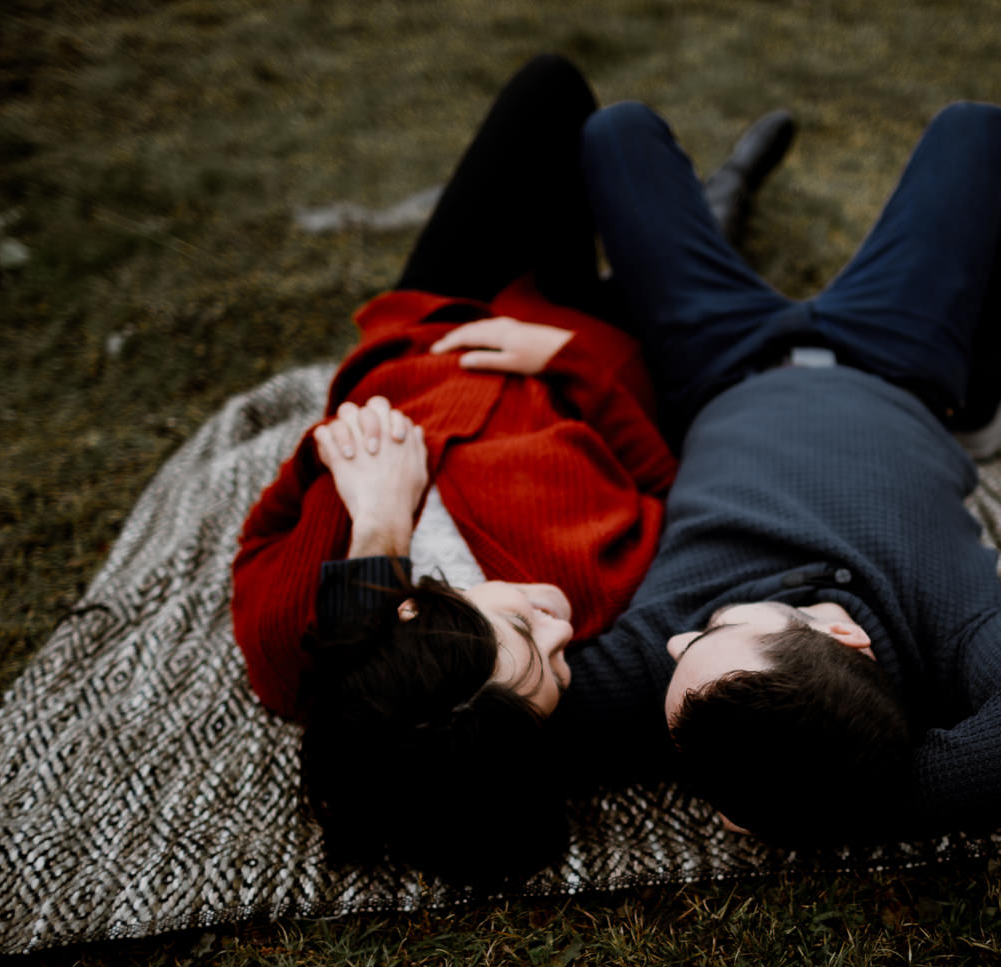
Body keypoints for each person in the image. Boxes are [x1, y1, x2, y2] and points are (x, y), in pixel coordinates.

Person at [230, 55, 794, 881]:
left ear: (420, 621)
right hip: (567, 341)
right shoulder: (590, 588)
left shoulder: (288, 644)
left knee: (552, 90)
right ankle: (722, 201)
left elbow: (264, 535)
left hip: (428, 322)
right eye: (558, 672)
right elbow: (667, 483)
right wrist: (569, 363)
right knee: (679, 271)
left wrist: (374, 519)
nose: (564, 623)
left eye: (529, 632)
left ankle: (698, 221)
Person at [543, 98, 1001, 845]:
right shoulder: (951, 627)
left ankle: (711, 224)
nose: (671, 647)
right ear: (845, 635)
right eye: (714, 629)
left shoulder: (676, 681)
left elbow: (425, 730)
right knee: (977, 129)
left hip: (720, 360)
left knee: (616, 131)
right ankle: (984, 403)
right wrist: (843, 798)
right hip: (895, 358)